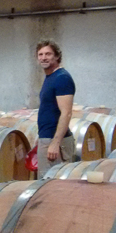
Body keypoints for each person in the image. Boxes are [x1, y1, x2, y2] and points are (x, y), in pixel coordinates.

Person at [36, 40, 75, 178]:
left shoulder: (62, 78)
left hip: (56, 142)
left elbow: (66, 113)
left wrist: (55, 143)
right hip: (47, 138)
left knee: (53, 185)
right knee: (46, 183)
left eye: (48, 54)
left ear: (57, 56)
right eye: (40, 54)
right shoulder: (50, 77)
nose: (43, 58)